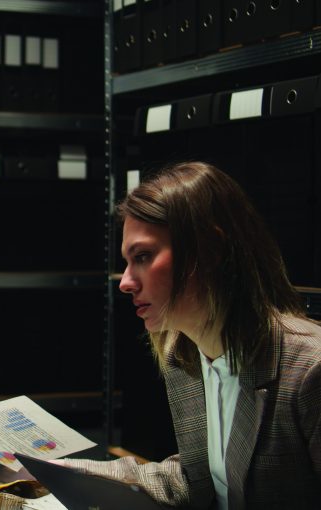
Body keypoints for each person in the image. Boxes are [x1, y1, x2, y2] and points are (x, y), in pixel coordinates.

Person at [61, 162, 321, 509]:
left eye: (143, 256)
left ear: (210, 251)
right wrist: (54, 475)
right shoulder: (182, 353)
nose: (125, 282)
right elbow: (200, 480)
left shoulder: (310, 369)